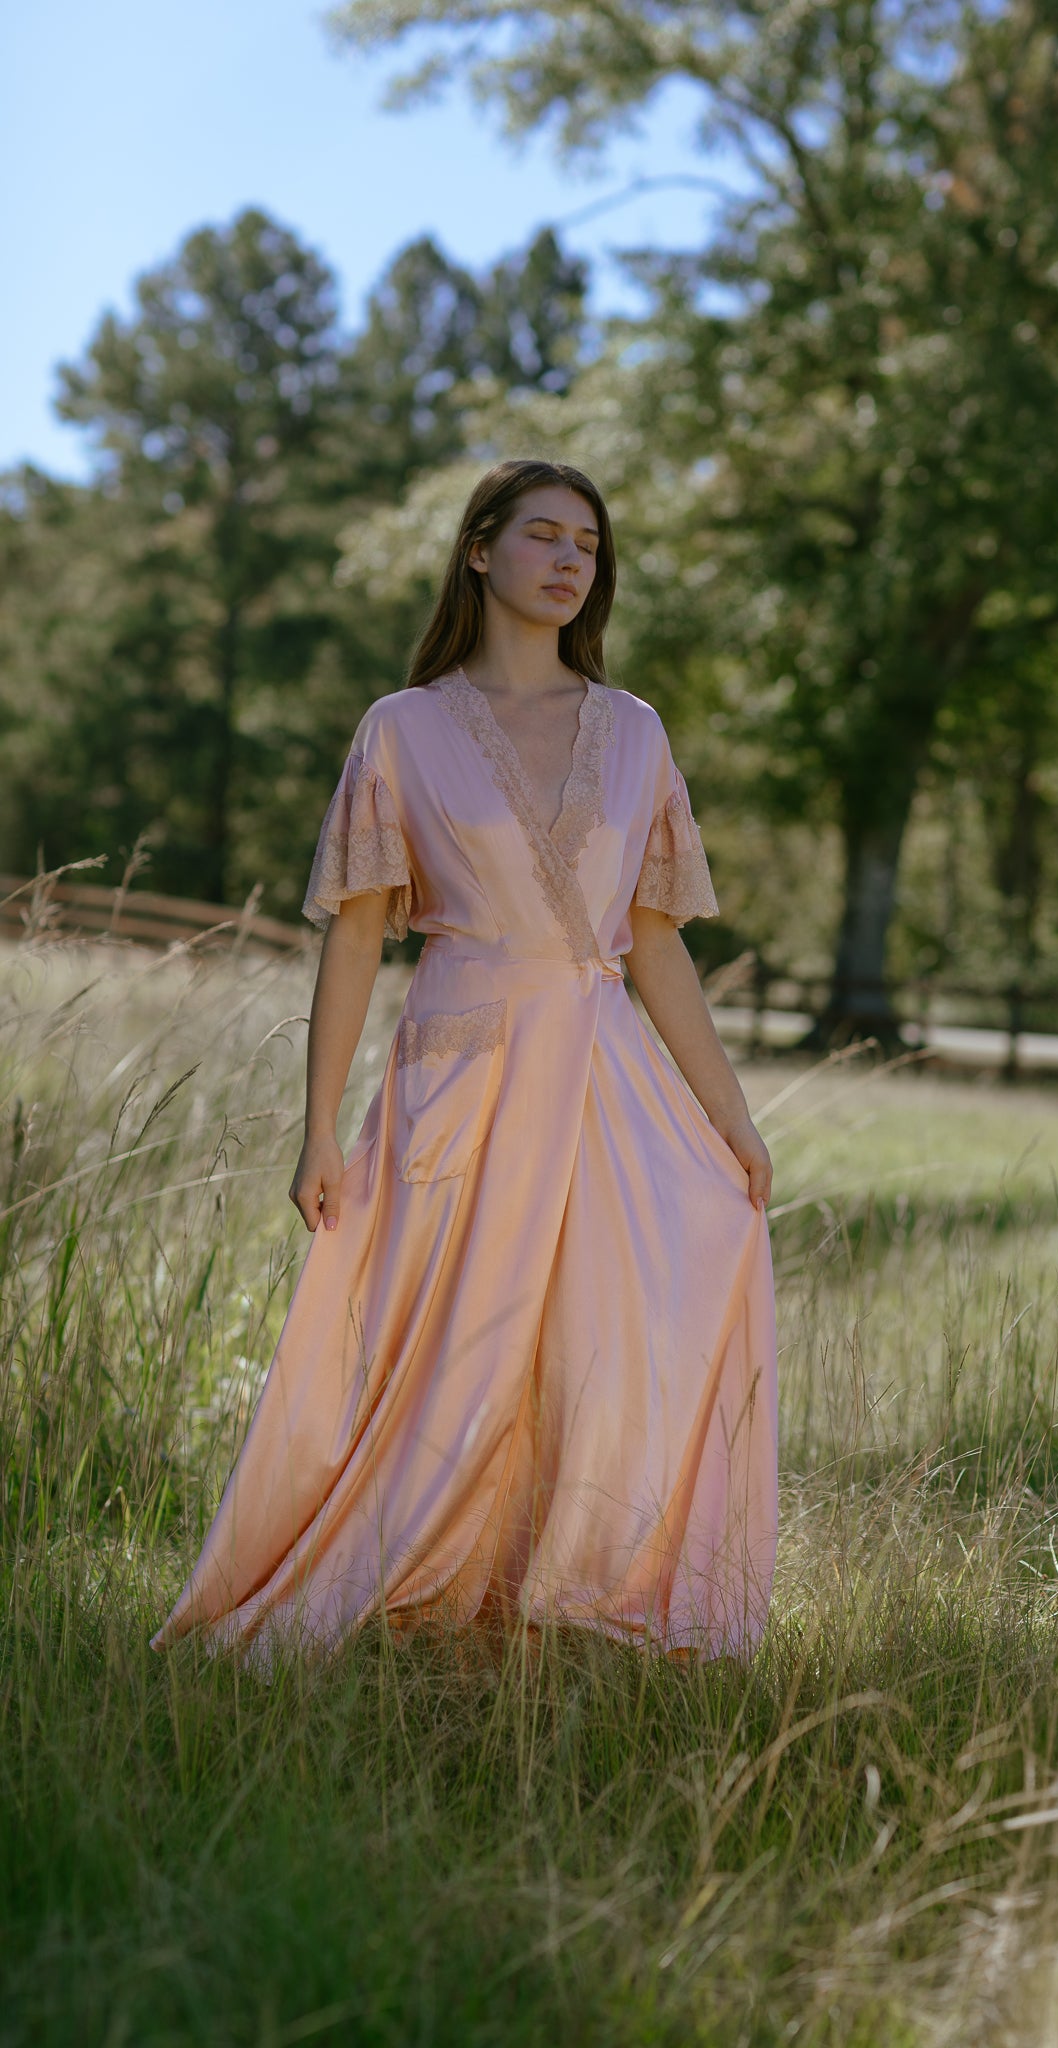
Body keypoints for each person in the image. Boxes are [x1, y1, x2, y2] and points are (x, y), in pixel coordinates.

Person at [152, 457, 778, 1669]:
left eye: (587, 545)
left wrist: (734, 1121)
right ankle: (401, 1570)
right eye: (542, 534)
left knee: (605, 1327)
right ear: (479, 551)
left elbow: (655, 949)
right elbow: (353, 937)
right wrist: (319, 1124)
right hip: (461, 1063)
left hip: (601, 1070)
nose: (567, 560)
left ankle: (563, 1578)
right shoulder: (404, 728)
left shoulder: (635, 731)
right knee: (439, 1334)